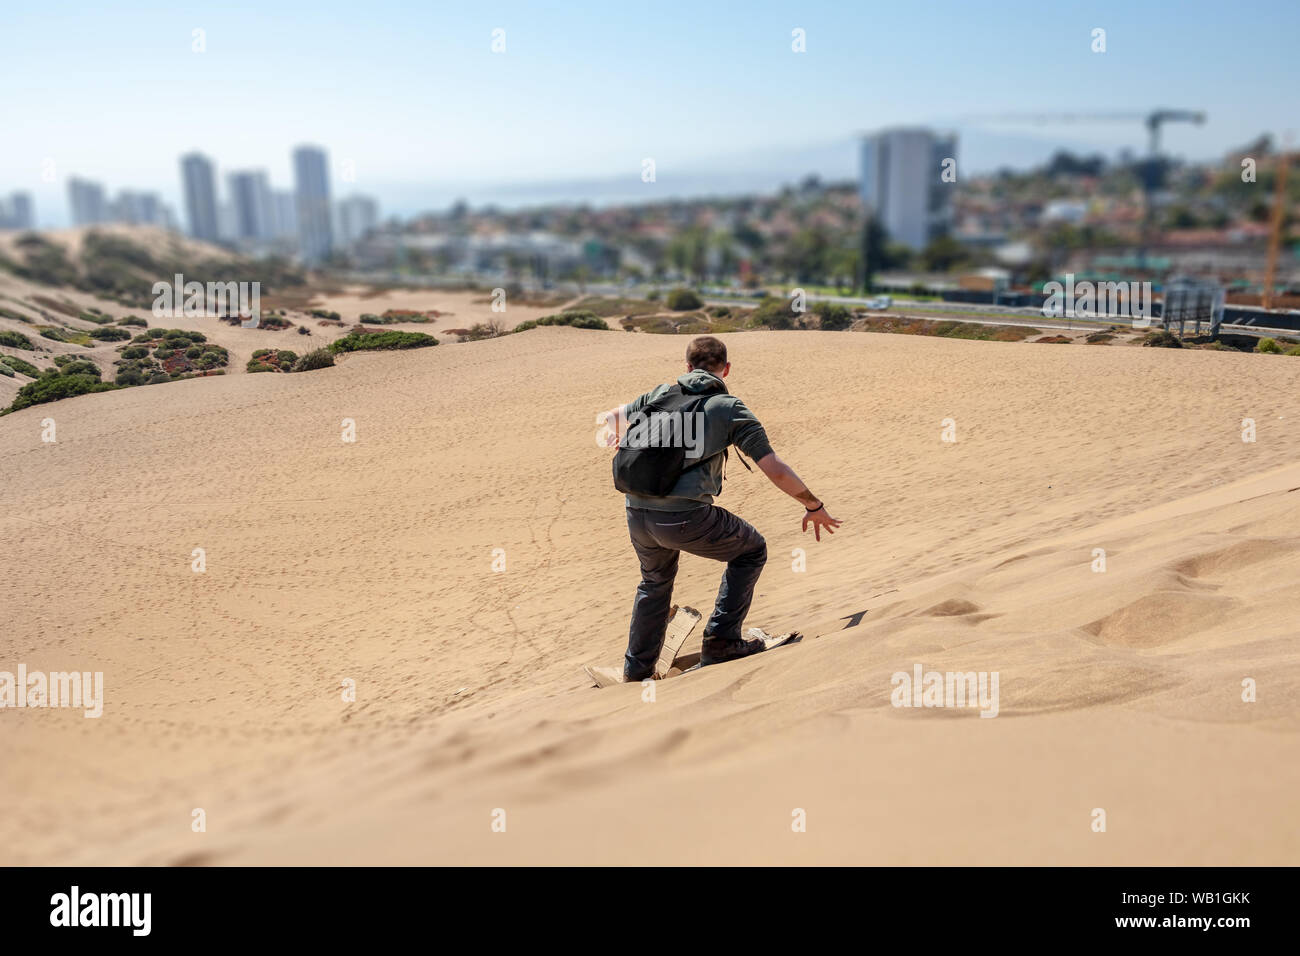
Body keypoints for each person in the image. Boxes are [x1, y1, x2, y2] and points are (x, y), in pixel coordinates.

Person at [597, 335, 841, 682]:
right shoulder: (727, 407)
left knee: (654, 581)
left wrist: (618, 434)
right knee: (751, 550)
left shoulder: (660, 394)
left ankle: (637, 670)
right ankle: (722, 640)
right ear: (725, 369)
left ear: (687, 367)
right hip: (684, 517)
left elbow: (611, 417)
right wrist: (813, 505)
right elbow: (773, 467)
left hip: (636, 514)